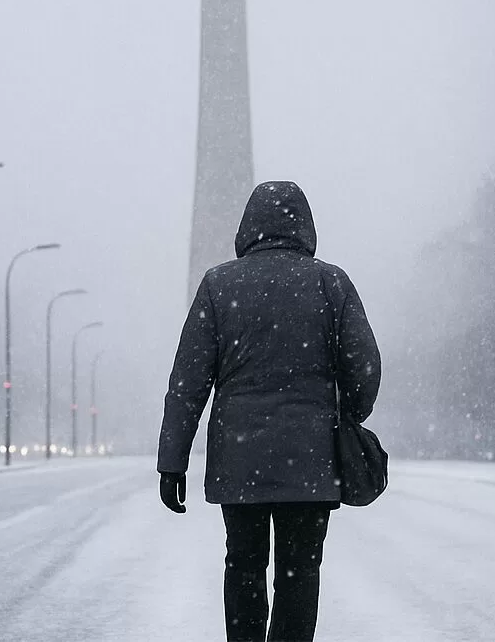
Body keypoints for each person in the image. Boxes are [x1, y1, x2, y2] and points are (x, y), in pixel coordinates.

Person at [157, 181, 381, 642]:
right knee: (300, 572)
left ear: (247, 228)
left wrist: (172, 461)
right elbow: (365, 365)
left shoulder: (218, 285)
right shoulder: (329, 283)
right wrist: (351, 414)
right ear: (306, 227)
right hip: (311, 461)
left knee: (243, 564)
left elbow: (187, 384)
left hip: (239, 466)